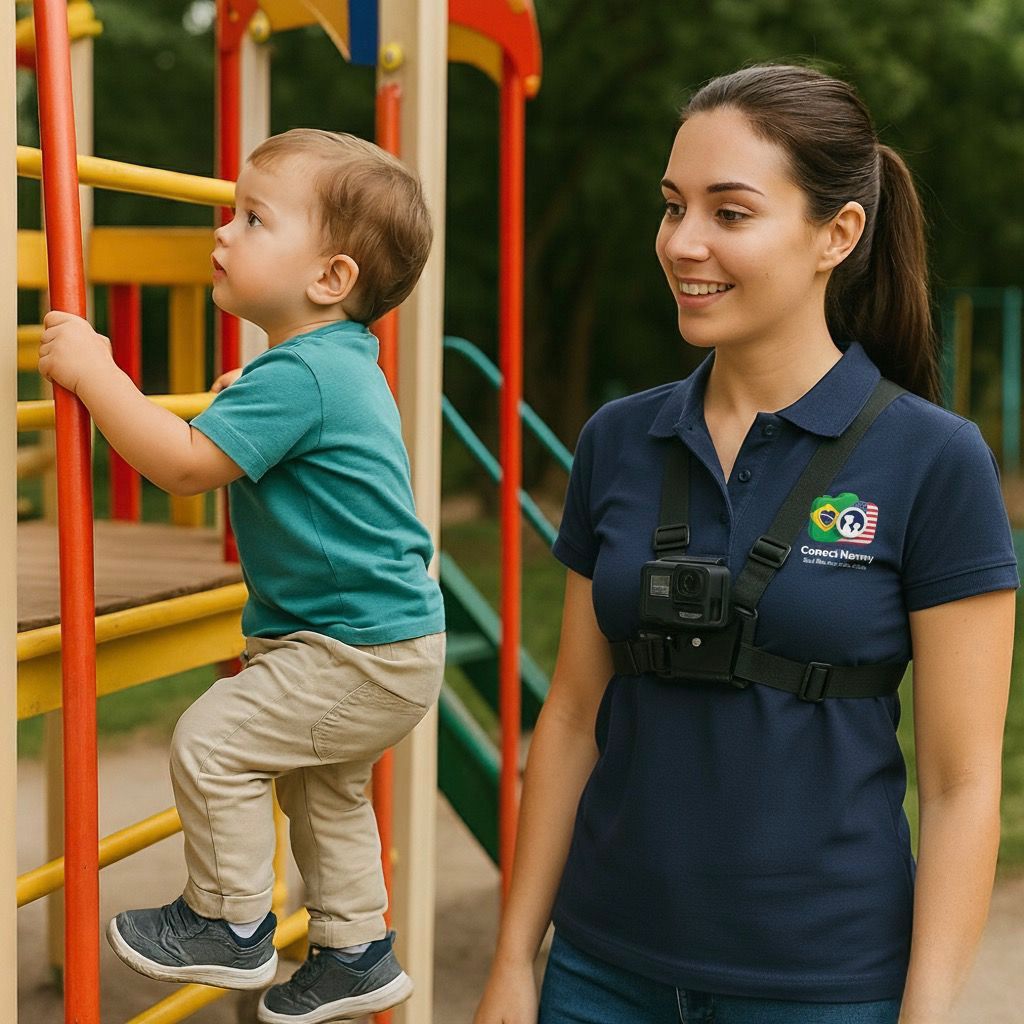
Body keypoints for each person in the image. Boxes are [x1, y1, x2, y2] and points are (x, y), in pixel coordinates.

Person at [474, 64, 1019, 1024]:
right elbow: (570, 716)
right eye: (672, 206)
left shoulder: (936, 461)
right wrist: (515, 961)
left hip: (825, 987)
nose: (683, 242)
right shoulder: (616, 439)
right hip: (600, 973)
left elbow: (963, 782)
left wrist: (927, 1011)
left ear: (836, 235)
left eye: (730, 213)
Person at [39, 128, 446, 1023]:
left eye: (254, 219)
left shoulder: (300, 377)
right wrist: (244, 393)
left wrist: (98, 374)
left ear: (330, 277)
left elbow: (183, 465)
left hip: (348, 651)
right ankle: (356, 950)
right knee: (323, 790)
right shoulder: (328, 364)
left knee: (213, 743)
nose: (223, 231)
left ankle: (227, 922)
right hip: (385, 645)